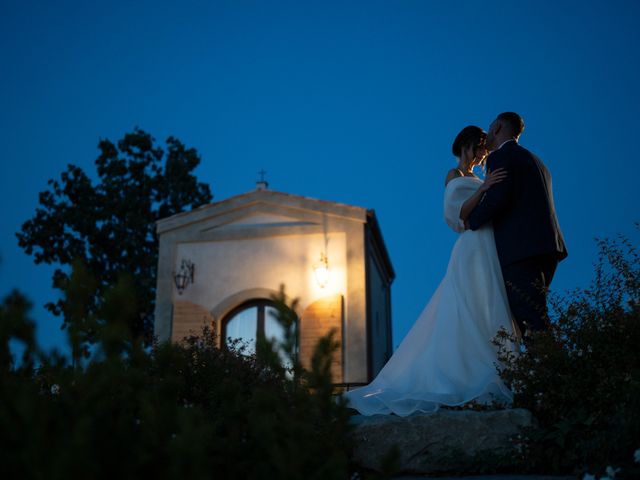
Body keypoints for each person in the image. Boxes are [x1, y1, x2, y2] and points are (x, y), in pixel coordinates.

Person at [344, 126, 517, 416]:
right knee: (464, 306)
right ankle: (461, 374)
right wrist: (485, 188)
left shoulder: (480, 177)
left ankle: (490, 368)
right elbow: (458, 212)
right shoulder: (454, 176)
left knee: (486, 304)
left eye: (485, 149)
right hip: (471, 244)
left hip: (489, 245)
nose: (483, 153)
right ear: (467, 146)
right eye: (479, 148)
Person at [467, 112, 567, 335]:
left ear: (498, 128)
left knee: (530, 318)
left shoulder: (500, 157)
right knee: (536, 311)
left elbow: (498, 198)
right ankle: (543, 364)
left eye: (490, 125)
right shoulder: (537, 161)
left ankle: (550, 367)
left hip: (520, 250)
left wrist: (471, 221)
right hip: (547, 248)